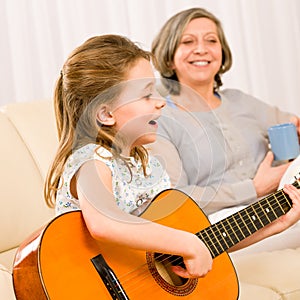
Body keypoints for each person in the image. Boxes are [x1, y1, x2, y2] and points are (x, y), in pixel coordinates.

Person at [44, 34, 300, 284]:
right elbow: (104, 223)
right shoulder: (93, 160)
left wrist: (276, 224)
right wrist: (187, 244)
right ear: (106, 114)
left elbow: (199, 243)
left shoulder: (148, 166)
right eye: (146, 95)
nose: (160, 102)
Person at [150, 7, 300, 223]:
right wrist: (253, 189)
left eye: (211, 40)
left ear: (222, 53)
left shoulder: (240, 101)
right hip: (227, 229)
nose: (201, 49)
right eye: (188, 41)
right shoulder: (161, 121)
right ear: (170, 57)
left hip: (285, 210)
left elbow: (291, 125)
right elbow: (176, 198)